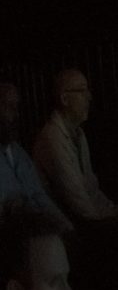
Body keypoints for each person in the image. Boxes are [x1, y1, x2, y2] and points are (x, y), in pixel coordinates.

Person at [32, 68, 118, 225]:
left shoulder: (78, 134)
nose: (89, 97)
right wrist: (109, 222)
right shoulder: (52, 138)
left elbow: (91, 187)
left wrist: (114, 212)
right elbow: (76, 196)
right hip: (71, 228)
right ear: (65, 99)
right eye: (81, 90)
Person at [0, 82, 70, 230]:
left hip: (44, 232)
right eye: (9, 107)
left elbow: (40, 195)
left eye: (17, 107)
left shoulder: (17, 152)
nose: (17, 115)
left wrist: (66, 228)